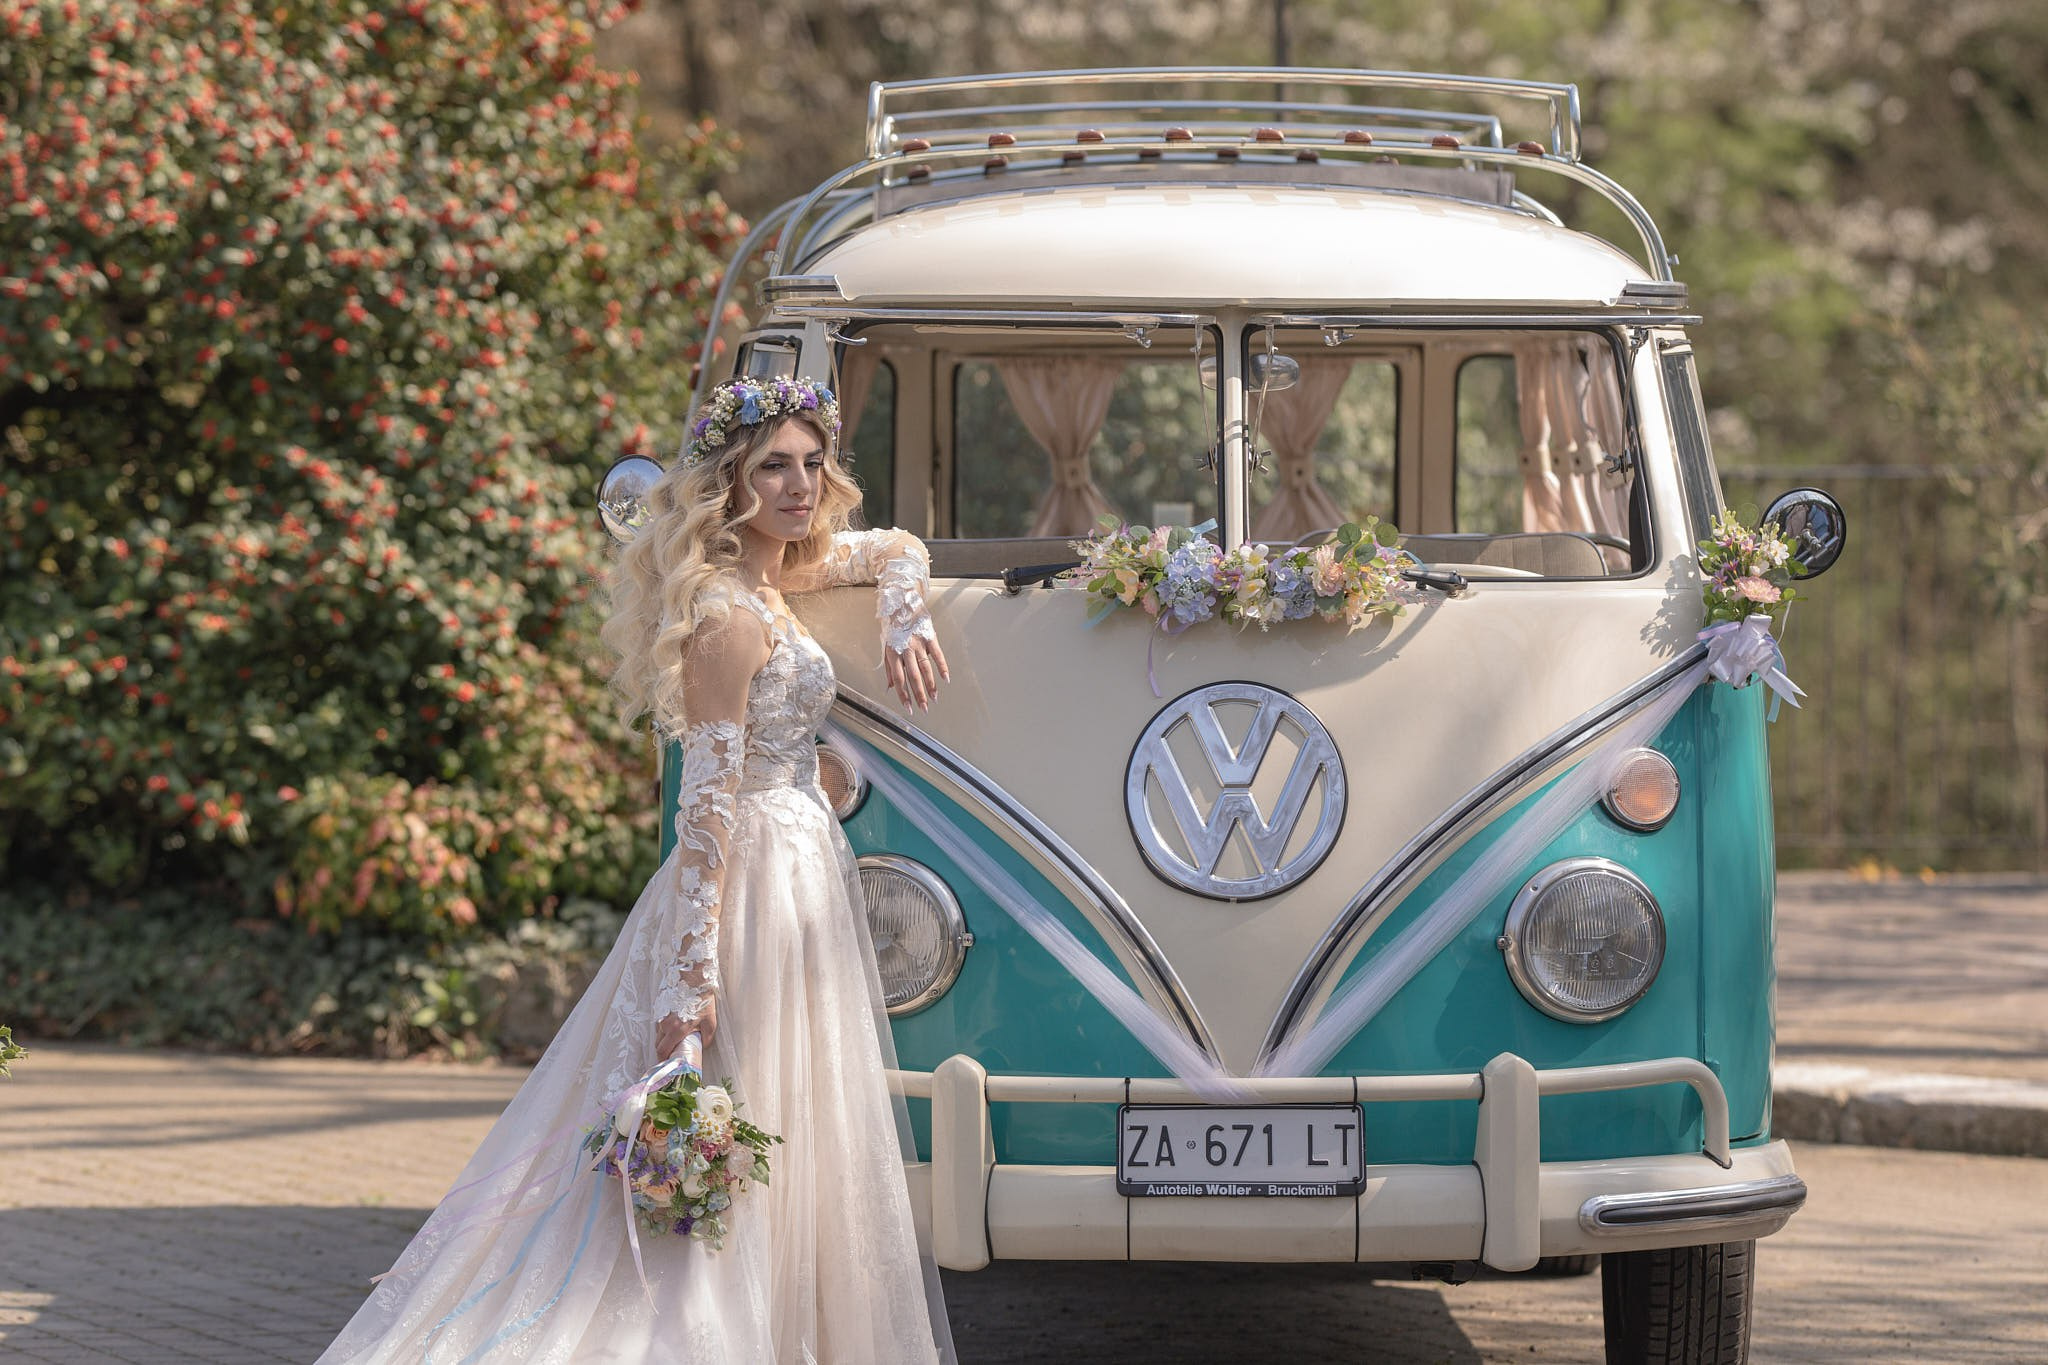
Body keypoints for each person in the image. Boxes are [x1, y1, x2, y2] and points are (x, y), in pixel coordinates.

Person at [319, 375, 955, 1363]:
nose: (799, 485)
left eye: (811, 464)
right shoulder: (726, 615)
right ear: (728, 484)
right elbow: (704, 809)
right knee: (741, 1110)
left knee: (803, 1116)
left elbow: (894, 548)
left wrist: (905, 609)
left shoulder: (780, 578)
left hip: (802, 874)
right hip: (750, 889)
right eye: (772, 468)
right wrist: (689, 984)